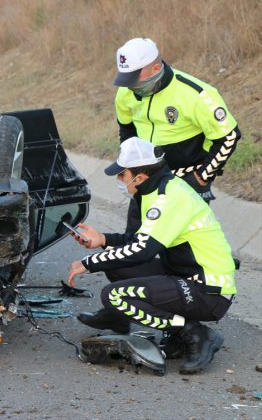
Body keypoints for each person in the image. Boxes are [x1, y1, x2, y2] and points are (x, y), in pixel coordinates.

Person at [67, 137, 236, 375]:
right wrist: (103, 240)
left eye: (121, 175)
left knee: (115, 296)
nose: (118, 180)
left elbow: (143, 250)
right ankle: (124, 320)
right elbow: (140, 240)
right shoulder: (157, 189)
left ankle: (195, 333)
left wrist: (88, 263)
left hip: (208, 291)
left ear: (140, 176)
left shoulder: (168, 198)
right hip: (185, 276)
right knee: (116, 265)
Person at [112, 38, 242, 232]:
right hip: (147, 178)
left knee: (182, 248)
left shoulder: (197, 94)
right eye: (126, 79)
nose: (129, 86)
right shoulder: (126, 93)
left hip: (187, 178)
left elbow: (229, 136)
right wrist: (131, 168)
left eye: (134, 79)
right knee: (134, 240)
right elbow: (127, 130)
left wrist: (201, 177)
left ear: (156, 69)